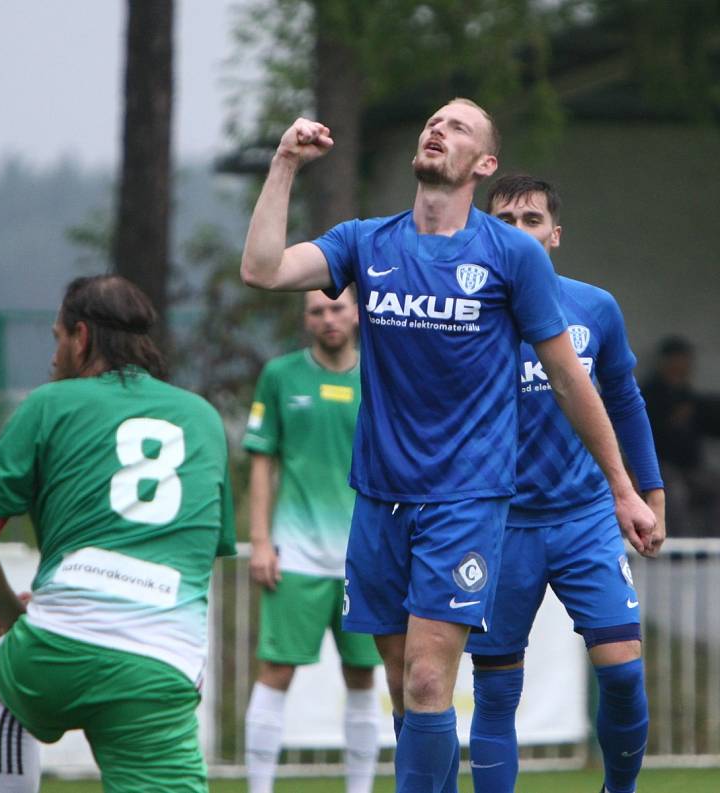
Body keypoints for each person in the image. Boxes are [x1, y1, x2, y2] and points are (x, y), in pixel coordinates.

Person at [240, 100, 656, 793]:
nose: (439, 129)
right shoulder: (366, 242)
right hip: (377, 498)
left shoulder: (511, 254)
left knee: (433, 679)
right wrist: (284, 163)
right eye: (434, 122)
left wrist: (621, 484)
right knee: (409, 693)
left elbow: (568, 377)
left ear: (484, 164)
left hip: (467, 498)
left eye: (459, 127)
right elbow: (262, 269)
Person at [0, 275, 236, 793]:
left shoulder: (47, 405)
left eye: (57, 337)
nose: (54, 355)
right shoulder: (204, 418)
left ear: (81, 337)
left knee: (10, 686)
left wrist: (20, 617)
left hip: (56, 651)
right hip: (160, 662)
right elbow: (198, 551)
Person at [465, 174, 666, 793]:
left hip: (584, 521)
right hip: (500, 526)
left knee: (624, 674)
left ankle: (620, 789)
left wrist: (647, 492)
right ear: (484, 232)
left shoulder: (594, 306)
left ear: (554, 234)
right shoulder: (467, 315)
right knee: (496, 692)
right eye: (503, 221)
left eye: (531, 220)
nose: (518, 231)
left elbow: (626, 402)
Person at [243, 288, 382, 793]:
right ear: (306, 319)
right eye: (317, 310)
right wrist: (260, 541)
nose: (328, 318)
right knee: (275, 671)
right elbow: (262, 461)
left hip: (365, 559)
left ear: (357, 313)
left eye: (337, 308)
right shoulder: (280, 376)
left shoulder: (379, 374)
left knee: (364, 677)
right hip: (295, 554)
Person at [642, 335, 720, 536]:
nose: (684, 364)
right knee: (675, 493)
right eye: (679, 358)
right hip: (660, 467)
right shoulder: (650, 393)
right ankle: (679, 553)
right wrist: (672, 419)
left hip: (690, 468)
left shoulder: (688, 394)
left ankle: (711, 550)